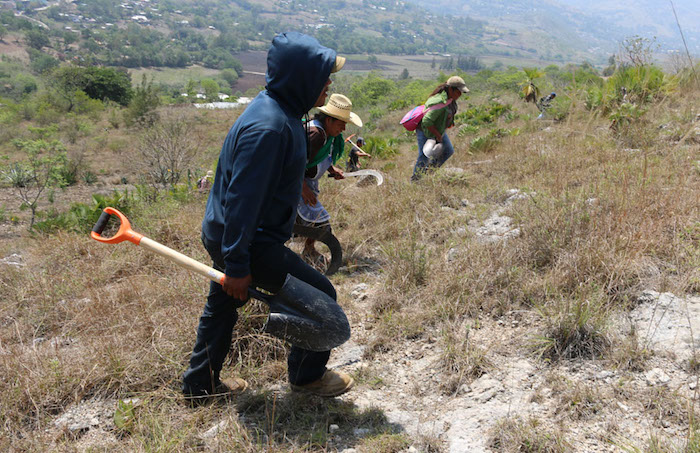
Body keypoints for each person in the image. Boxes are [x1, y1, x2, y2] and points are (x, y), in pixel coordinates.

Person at [182, 32, 354, 405]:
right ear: (302, 79)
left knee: (222, 307)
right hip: (247, 239)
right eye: (324, 77)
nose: (328, 85)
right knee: (322, 294)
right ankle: (307, 378)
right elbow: (243, 202)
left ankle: (199, 386)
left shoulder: (280, 111)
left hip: (231, 235)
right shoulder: (270, 128)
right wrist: (240, 264)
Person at [298, 93, 362, 261]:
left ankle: (306, 252)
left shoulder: (325, 133)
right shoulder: (316, 134)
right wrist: (303, 188)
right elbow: (291, 164)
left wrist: (331, 169)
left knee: (301, 223)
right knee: (321, 223)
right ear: (329, 120)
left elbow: (317, 157)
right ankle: (308, 253)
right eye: (341, 124)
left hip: (302, 184)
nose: (343, 129)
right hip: (294, 184)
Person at [411, 76, 469, 181]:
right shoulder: (439, 102)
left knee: (448, 150)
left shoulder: (451, 99)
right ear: (451, 89)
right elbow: (427, 121)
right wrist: (437, 135)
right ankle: (416, 180)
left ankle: (428, 173)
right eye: (459, 92)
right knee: (424, 156)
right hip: (425, 130)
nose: (460, 95)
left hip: (438, 129)